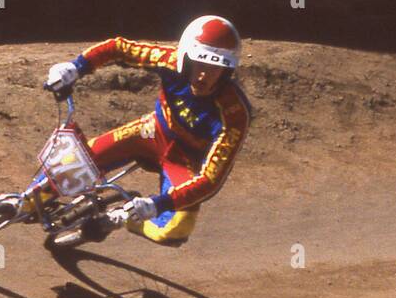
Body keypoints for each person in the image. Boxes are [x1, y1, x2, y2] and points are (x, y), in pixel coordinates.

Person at [43, 15, 252, 246]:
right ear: (186, 58)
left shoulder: (234, 114)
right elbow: (119, 48)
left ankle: (120, 219)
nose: (204, 75)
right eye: (200, 63)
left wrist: (157, 204)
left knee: (175, 231)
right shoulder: (169, 61)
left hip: (183, 162)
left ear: (228, 71)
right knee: (72, 162)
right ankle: (28, 199)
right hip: (150, 133)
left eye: (216, 68)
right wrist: (75, 67)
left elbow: (210, 180)